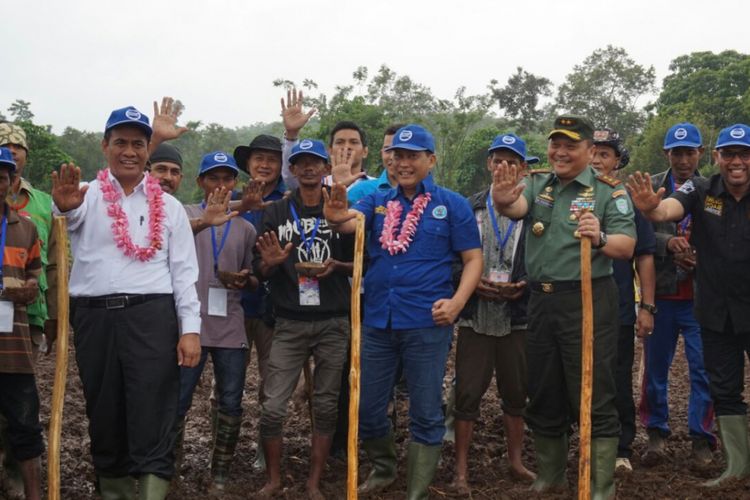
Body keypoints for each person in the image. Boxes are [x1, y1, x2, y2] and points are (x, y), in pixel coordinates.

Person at [323, 124, 483, 499]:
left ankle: (417, 489)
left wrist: (458, 302)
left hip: (428, 322)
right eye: (398, 156)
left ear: (431, 160)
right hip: (378, 320)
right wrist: (334, 210)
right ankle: (384, 467)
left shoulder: (453, 205)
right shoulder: (377, 201)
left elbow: (473, 259)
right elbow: (345, 222)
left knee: (426, 411)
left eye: (413, 156)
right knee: (367, 409)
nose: (404, 163)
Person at [52, 106, 201, 499]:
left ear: (148, 150)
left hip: (151, 316)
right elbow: (64, 215)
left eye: (138, 143)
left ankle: (151, 493)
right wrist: (63, 206)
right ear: (105, 147)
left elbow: (185, 273)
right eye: (121, 142)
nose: (130, 151)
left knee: (154, 408)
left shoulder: (168, 207)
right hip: (94, 319)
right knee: (104, 411)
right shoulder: (85, 194)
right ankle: (115, 491)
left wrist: (190, 331)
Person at [492, 116, 635, 498]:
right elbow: (515, 206)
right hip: (541, 300)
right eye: (556, 144)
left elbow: (626, 246)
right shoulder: (539, 183)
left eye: (570, 146)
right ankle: (551, 477)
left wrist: (601, 236)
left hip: (588, 300)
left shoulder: (609, 192)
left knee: (591, 389)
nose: (560, 152)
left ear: (590, 151)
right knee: (542, 388)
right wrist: (502, 199)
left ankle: (598, 485)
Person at [626, 123, 750, 486]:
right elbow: (667, 209)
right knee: (721, 385)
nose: (737, 161)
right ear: (717, 158)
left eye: (744, 154)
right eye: (729, 154)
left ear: (699, 154)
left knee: (704, 377)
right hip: (709, 310)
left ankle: (704, 440)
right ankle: (736, 469)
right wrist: (652, 209)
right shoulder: (701, 188)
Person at [253, 139, 353, 499]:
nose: (308, 168)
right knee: (273, 405)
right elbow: (259, 270)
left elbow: (362, 261)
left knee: (326, 404)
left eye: (315, 162)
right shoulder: (277, 213)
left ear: (326, 168)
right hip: (290, 321)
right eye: (300, 163)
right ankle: (274, 480)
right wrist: (273, 262)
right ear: (291, 170)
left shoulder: (341, 206)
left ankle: (313, 482)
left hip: (333, 321)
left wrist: (338, 266)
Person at [450, 133, 536, 495]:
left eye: (512, 161)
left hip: (517, 315)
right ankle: (461, 470)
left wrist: (526, 283)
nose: (504, 167)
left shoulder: (534, 210)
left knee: (516, 393)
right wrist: (468, 283)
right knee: (467, 394)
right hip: (476, 314)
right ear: (488, 163)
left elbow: (548, 258)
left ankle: (516, 461)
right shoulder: (469, 208)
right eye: (498, 160)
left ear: (523, 168)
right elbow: (451, 258)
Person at [177, 151, 258, 491]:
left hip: (230, 326)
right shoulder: (184, 216)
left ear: (235, 183)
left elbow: (255, 277)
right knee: (178, 397)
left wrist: (243, 279)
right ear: (200, 182)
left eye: (227, 178)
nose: (221, 185)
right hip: (190, 324)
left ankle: (220, 472)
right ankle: (169, 463)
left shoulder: (246, 228)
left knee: (230, 399)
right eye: (213, 177)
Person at [636, 122, 715, 467]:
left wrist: (702, 254)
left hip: (702, 297)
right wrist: (667, 243)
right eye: (676, 153)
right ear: (666, 154)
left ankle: (702, 438)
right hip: (662, 295)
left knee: (703, 369)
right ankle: (656, 433)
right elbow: (636, 238)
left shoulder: (714, 188)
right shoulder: (650, 188)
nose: (683, 160)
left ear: (700, 153)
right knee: (655, 369)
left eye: (689, 152)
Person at [590, 128, 656, 472]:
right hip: (571, 306)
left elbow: (644, 255)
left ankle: (619, 448)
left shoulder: (627, 200)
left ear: (617, 161)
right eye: (593, 151)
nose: (597, 160)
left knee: (615, 377)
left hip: (615, 308)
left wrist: (646, 306)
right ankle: (581, 443)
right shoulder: (568, 193)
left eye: (605, 153)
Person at [233, 133, 286, 471]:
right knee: (229, 382)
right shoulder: (232, 201)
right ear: (248, 165)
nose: (264, 164)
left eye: (272, 159)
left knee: (272, 384)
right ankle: (223, 451)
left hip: (273, 306)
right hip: (234, 304)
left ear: (282, 166)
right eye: (258, 158)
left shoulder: (289, 200)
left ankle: (265, 451)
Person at [0, 147, 43, 500]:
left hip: (15, 348)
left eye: (2, 176)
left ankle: (35, 494)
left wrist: (28, 289)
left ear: (12, 182)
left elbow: (35, 277)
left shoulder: (25, 228)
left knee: (26, 427)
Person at [280, 89, 373, 191]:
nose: (346, 147)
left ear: (365, 151)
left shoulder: (379, 187)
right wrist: (292, 134)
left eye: (354, 142)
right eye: (340, 142)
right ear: (330, 150)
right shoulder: (314, 183)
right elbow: (290, 177)